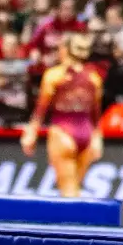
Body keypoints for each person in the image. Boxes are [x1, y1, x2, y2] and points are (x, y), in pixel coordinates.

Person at [22, 33, 103, 197]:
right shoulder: (94, 78)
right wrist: (97, 138)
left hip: (63, 129)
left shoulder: (54, 75)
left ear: (64, 50)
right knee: (76, 188)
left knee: (67, 190)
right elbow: (96, 114)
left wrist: (31, 133)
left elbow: (40, 110)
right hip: (86, 130)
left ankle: (72, 221)